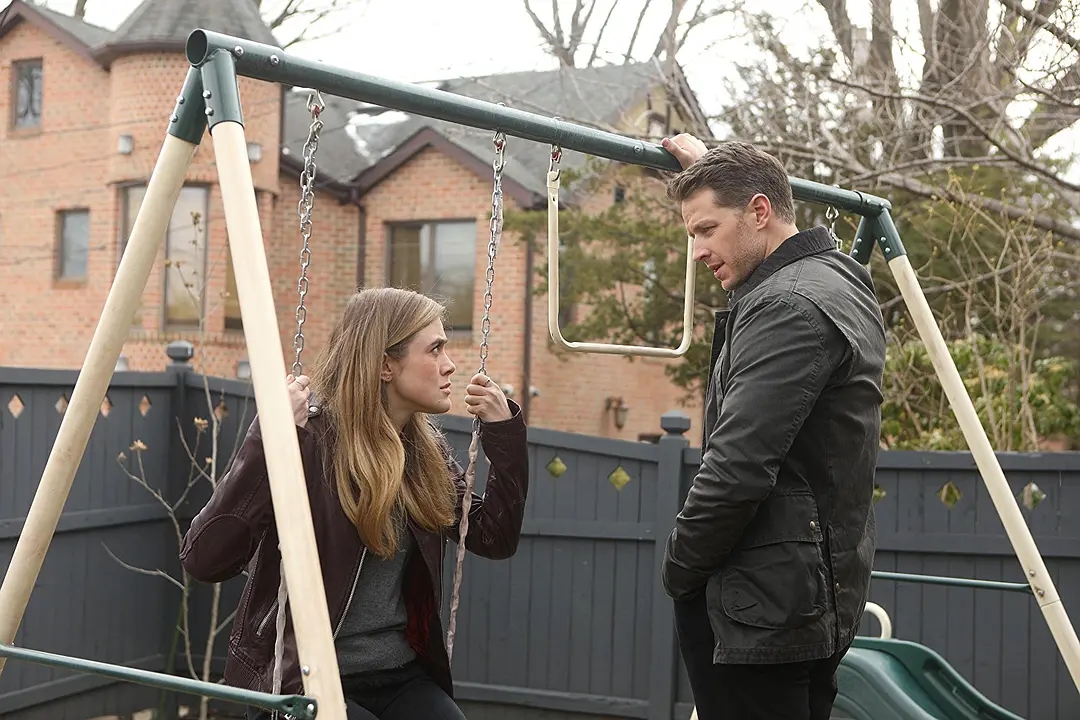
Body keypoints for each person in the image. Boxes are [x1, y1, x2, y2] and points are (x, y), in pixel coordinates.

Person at [179, 287, 530, 720]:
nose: (450, 364)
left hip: (397, 673)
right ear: (385, 366)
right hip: (303, 678)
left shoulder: (425, 455)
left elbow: (494, 536)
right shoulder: (311, 442)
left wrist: (505, 433)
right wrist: (268, 441)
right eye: (435, 348)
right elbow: (204, 560)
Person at [658, 134, 886, 720]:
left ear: (759, 211)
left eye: (706, 230)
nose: (697, 252)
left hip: (763, 609)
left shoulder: (785, 306)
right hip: (813, 594)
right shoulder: (841, 279)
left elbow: (737, 467)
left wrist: (680, 569)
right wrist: (711, 171)